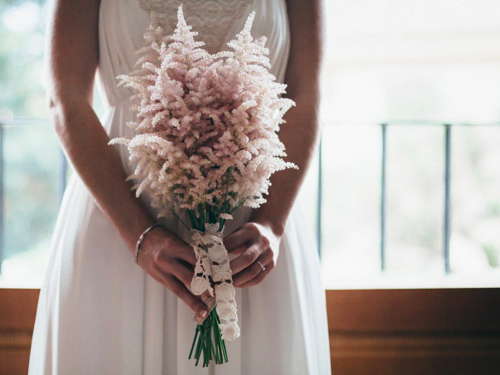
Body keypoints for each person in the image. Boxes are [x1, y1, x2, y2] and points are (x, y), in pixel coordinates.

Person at [28, 0, 331, 373]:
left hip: (253, 243)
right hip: (122, 226)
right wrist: (138, 234)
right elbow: (66, 99)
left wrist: (273, 223)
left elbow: (306, 97)